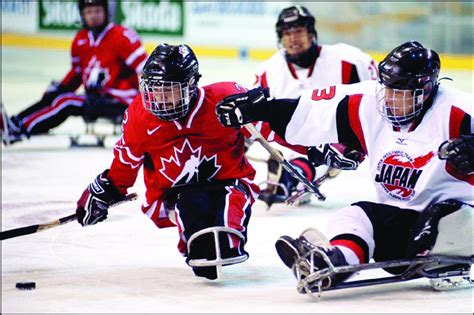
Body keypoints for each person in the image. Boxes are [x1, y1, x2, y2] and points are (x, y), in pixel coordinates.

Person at [216, 41, 473, 289]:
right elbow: (310, 112)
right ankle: (333, 262)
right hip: (405, 227)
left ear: (425, 91)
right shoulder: (369, 103)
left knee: (450, 215)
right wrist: (263, 110)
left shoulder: (460, 110)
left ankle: (449, 255)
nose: (390, 99)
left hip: (453, 222)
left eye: (400, 93)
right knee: (353, 215)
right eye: (388, 89)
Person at [74, 43, 262, 281]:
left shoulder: (225, 98)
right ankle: (197, 234)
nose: (160, 98)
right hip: (174, 194)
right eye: (155, 89)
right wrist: (104, 191)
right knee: (203, 251)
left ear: (191, 84)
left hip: (230, 182)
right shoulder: (139, 116)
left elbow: (272, 126)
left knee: (227, 238)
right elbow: (125, 165)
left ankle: (226, 234)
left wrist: (306, 144)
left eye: (169, 89)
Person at [250, 5, 376, 207]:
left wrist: (361, 140)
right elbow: (256, 116)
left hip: (338, 135)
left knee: (322, 146)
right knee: (296, 144)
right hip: (292, 140)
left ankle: (289, 178)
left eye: (298, 31)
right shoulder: (268, 71)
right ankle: (291, 177)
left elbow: (378, 96)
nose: (293, 38)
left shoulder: (349, 60)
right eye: (286, 33)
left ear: (311, 32)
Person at [1, 0, 147, 145]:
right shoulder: (81, 39)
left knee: (67, 102)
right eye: (89, 12)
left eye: (97, 11)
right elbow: (77, 75)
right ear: (82, 14)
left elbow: (144, 70)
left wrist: (143, 106)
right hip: (95, 98)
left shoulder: (123, 36)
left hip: (120, 101)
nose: (93, 16)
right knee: (54, 96)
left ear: (106, 12)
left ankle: (20, 130)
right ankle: (14, 122)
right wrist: (60, 87)